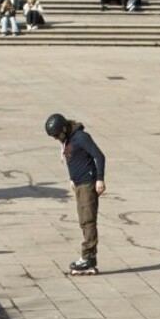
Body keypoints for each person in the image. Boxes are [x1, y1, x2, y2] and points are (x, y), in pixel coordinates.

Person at [44, 114, 107, 276]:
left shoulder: (81, 137)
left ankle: (89, 258)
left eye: (57, 134)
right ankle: (88, 256)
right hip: (79, 184)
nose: (56, 138)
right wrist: (72, 179)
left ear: (64, 128)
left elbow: (99, 156)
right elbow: (74, 160)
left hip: (88, 183)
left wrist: (99, 179)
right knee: (83, 220)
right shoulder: (68, 139)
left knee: (88, 220)